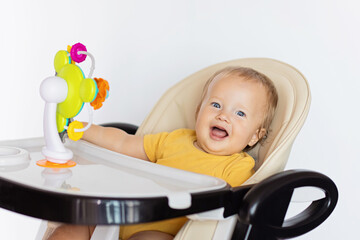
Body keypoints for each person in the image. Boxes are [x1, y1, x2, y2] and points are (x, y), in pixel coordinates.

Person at [48, 66, 278, 240]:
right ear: (199, 112)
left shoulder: (237, 167)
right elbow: (123, 143)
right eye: (216, 105)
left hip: (162, 233)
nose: (223, 116)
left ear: (255, 136)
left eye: (240, 113)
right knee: (69, 228)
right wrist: (80, 128)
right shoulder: (175, 139)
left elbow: (227, 207)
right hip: (121, 217)